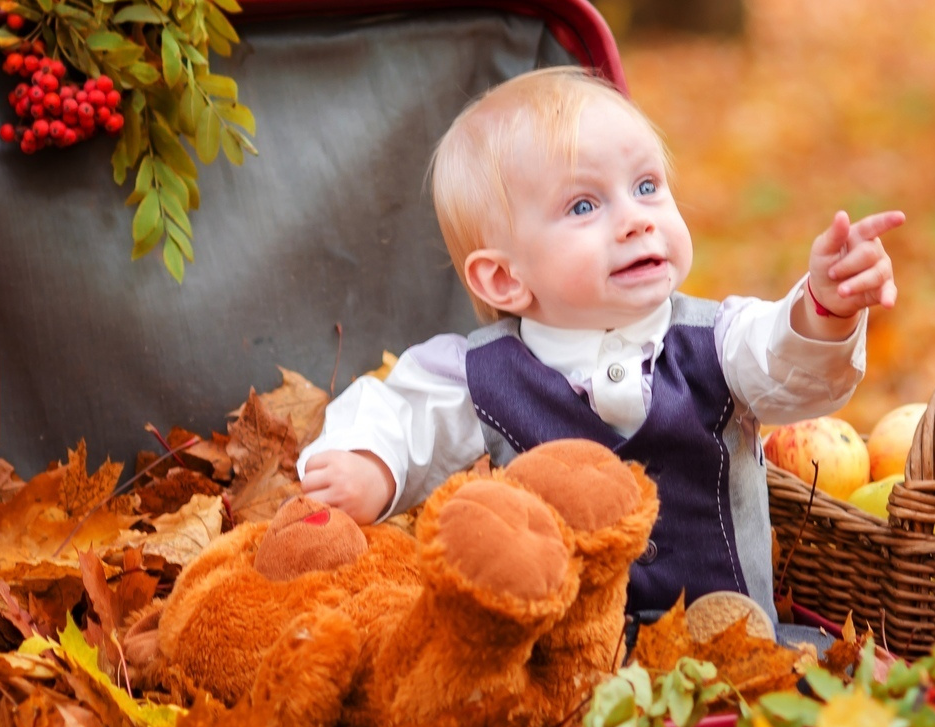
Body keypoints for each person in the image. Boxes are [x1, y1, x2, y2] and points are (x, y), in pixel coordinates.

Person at [298, 66, 904, 621]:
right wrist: (369, 465)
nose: (637, 219)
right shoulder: (481, 374)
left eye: (647, 186)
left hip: (730, 661)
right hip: (568, 671)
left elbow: (790, 366)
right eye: (584, 204)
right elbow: (400, 410)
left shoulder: (717, 339)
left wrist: (823, 307)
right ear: (505, 278)